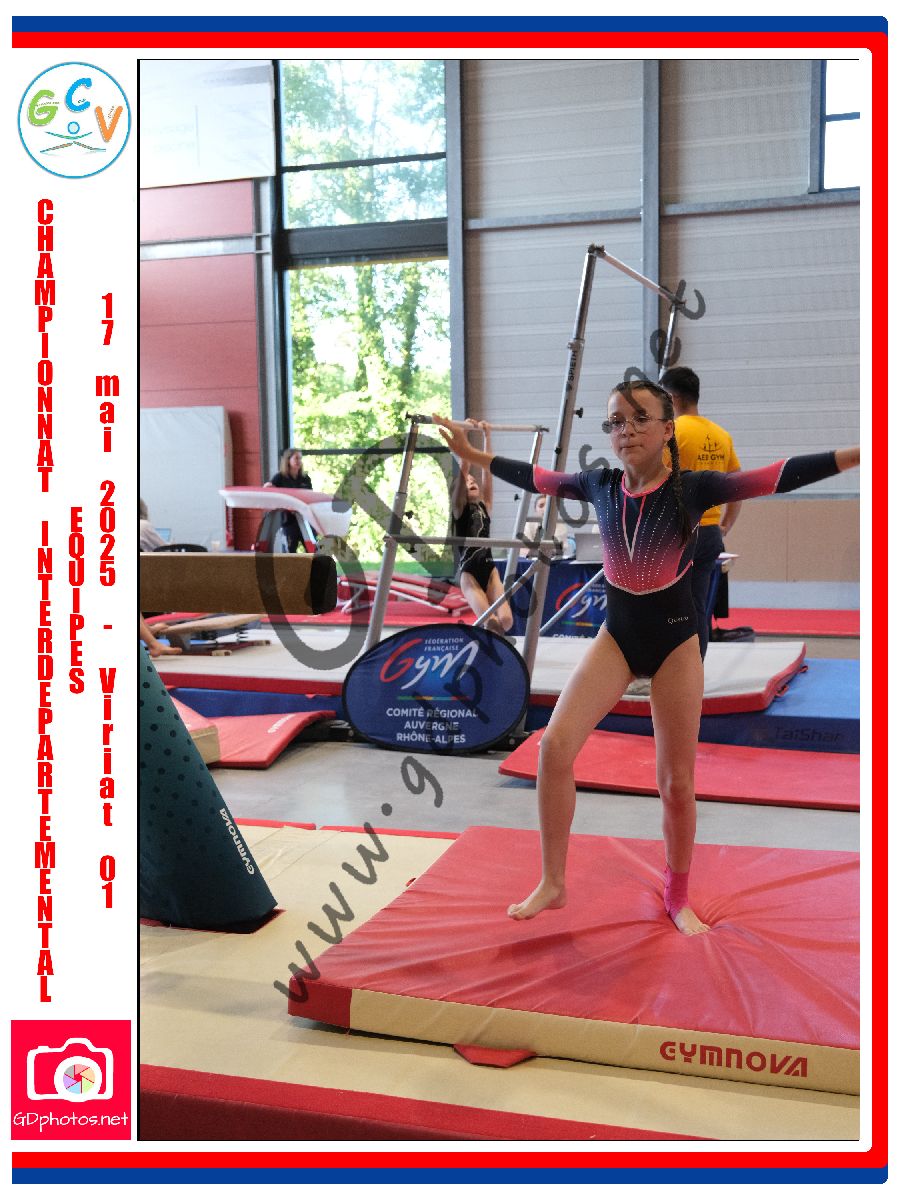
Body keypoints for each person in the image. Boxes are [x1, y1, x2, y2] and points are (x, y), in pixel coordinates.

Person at [433, 386, 859, 936]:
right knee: (554, 749)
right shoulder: (599, 484)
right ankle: (554, 882)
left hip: (676, 644)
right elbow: (536, 478)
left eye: (639, 419)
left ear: (667, 429)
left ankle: (677, 894)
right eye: (616, 421)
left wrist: (862, 452)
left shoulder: (694, 489)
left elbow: (777, 476)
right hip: (617, 638)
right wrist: (472, 455)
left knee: (676, 783)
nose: (626, 429)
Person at [660, 366, 741, 658]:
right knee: (697, 608)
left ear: (672, 398)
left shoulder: (672, 433)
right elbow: (738, 486)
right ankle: (694, 671)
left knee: (668, 609)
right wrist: (724, 524)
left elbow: (655, 482)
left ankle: (667, 671)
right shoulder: (721, 435)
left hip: (679, 533)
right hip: (709, 534)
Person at [451, 421, 514, 636]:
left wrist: (487, 435)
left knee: (506, 621)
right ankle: (486, 645)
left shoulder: (485, 505)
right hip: (469, 574)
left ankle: (487, 642)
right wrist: (464, 434)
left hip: (490, 570)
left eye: (474, 480)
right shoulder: (459, 510)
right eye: (467, 481)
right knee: (492, 623)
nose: (472, 481)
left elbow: (488, 470)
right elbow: (464, 469)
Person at [263, 447, 313, 553]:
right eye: (296, 458)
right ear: (288, 460)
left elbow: (310, 496)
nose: (299, 461)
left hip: (305, 519)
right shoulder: (279, 477)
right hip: (288, 521)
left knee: (313, 550)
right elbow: (268, 490)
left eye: (300, 458)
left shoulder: (305, 478)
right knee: (290, 551)